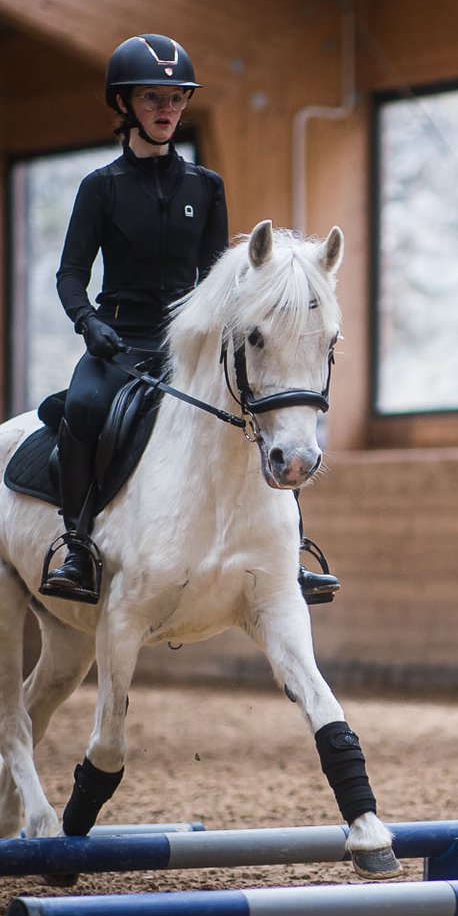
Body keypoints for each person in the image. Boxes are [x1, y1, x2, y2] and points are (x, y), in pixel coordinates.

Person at [39, 33, 340, 606]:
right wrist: (87, 322)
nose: (167, 111)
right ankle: (76, 547)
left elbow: (216, 278)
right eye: (153, 98)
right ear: (125, 104)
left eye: (176, 99)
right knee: (80, 409)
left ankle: (291, 550)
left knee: (264, 411)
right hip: (119, 341)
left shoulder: (206, 186)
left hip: (194, 346)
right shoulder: (99, 188)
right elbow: (69, 275)